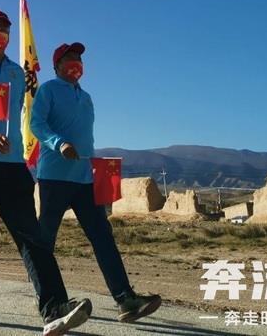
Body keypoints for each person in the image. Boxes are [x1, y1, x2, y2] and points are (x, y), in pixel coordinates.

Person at [0, 7, 91, 335]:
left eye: (4, 28)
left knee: (32, 236)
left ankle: (55, 307)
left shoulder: (15, 71)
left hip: (12, 165)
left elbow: (26, 114)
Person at [31, 42, 163, 324]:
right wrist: (59, 143)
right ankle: (51, 303)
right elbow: (37, 125)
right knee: (45, 242)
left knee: (103, 237)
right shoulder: (48, 90)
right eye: (69, 57)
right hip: (54, 177)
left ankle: (125, 299)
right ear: (57, 65)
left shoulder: (86, 97)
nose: (76, 62)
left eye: (79, 59)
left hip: (84, 179)